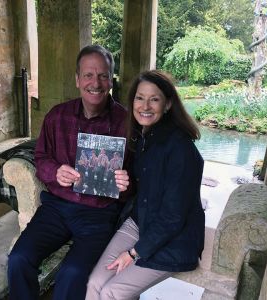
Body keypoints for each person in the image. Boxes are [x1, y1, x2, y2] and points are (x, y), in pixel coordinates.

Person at [7, 45, 130, 300]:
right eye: (88, 75)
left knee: (71, 273)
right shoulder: (57, 116)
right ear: (77, 80)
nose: (95, 83)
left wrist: (127, 181)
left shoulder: (126, 122)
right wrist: (54, 172)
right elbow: (40, 157)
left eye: (103, 75)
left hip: (99, 213)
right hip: (56, 208)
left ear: (111, 80)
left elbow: (139, 176)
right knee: (18, 259)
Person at [85, 70, 205, 300]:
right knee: (95, 283)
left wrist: (133, 253)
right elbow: (141, 189)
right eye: (140, 98)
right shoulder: (143, 138)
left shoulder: (181, 150)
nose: (145, 106)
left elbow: (172, 218)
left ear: (168, 104)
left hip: (173, 239)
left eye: (154, 99)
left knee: (112, 292)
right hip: (140, 222)